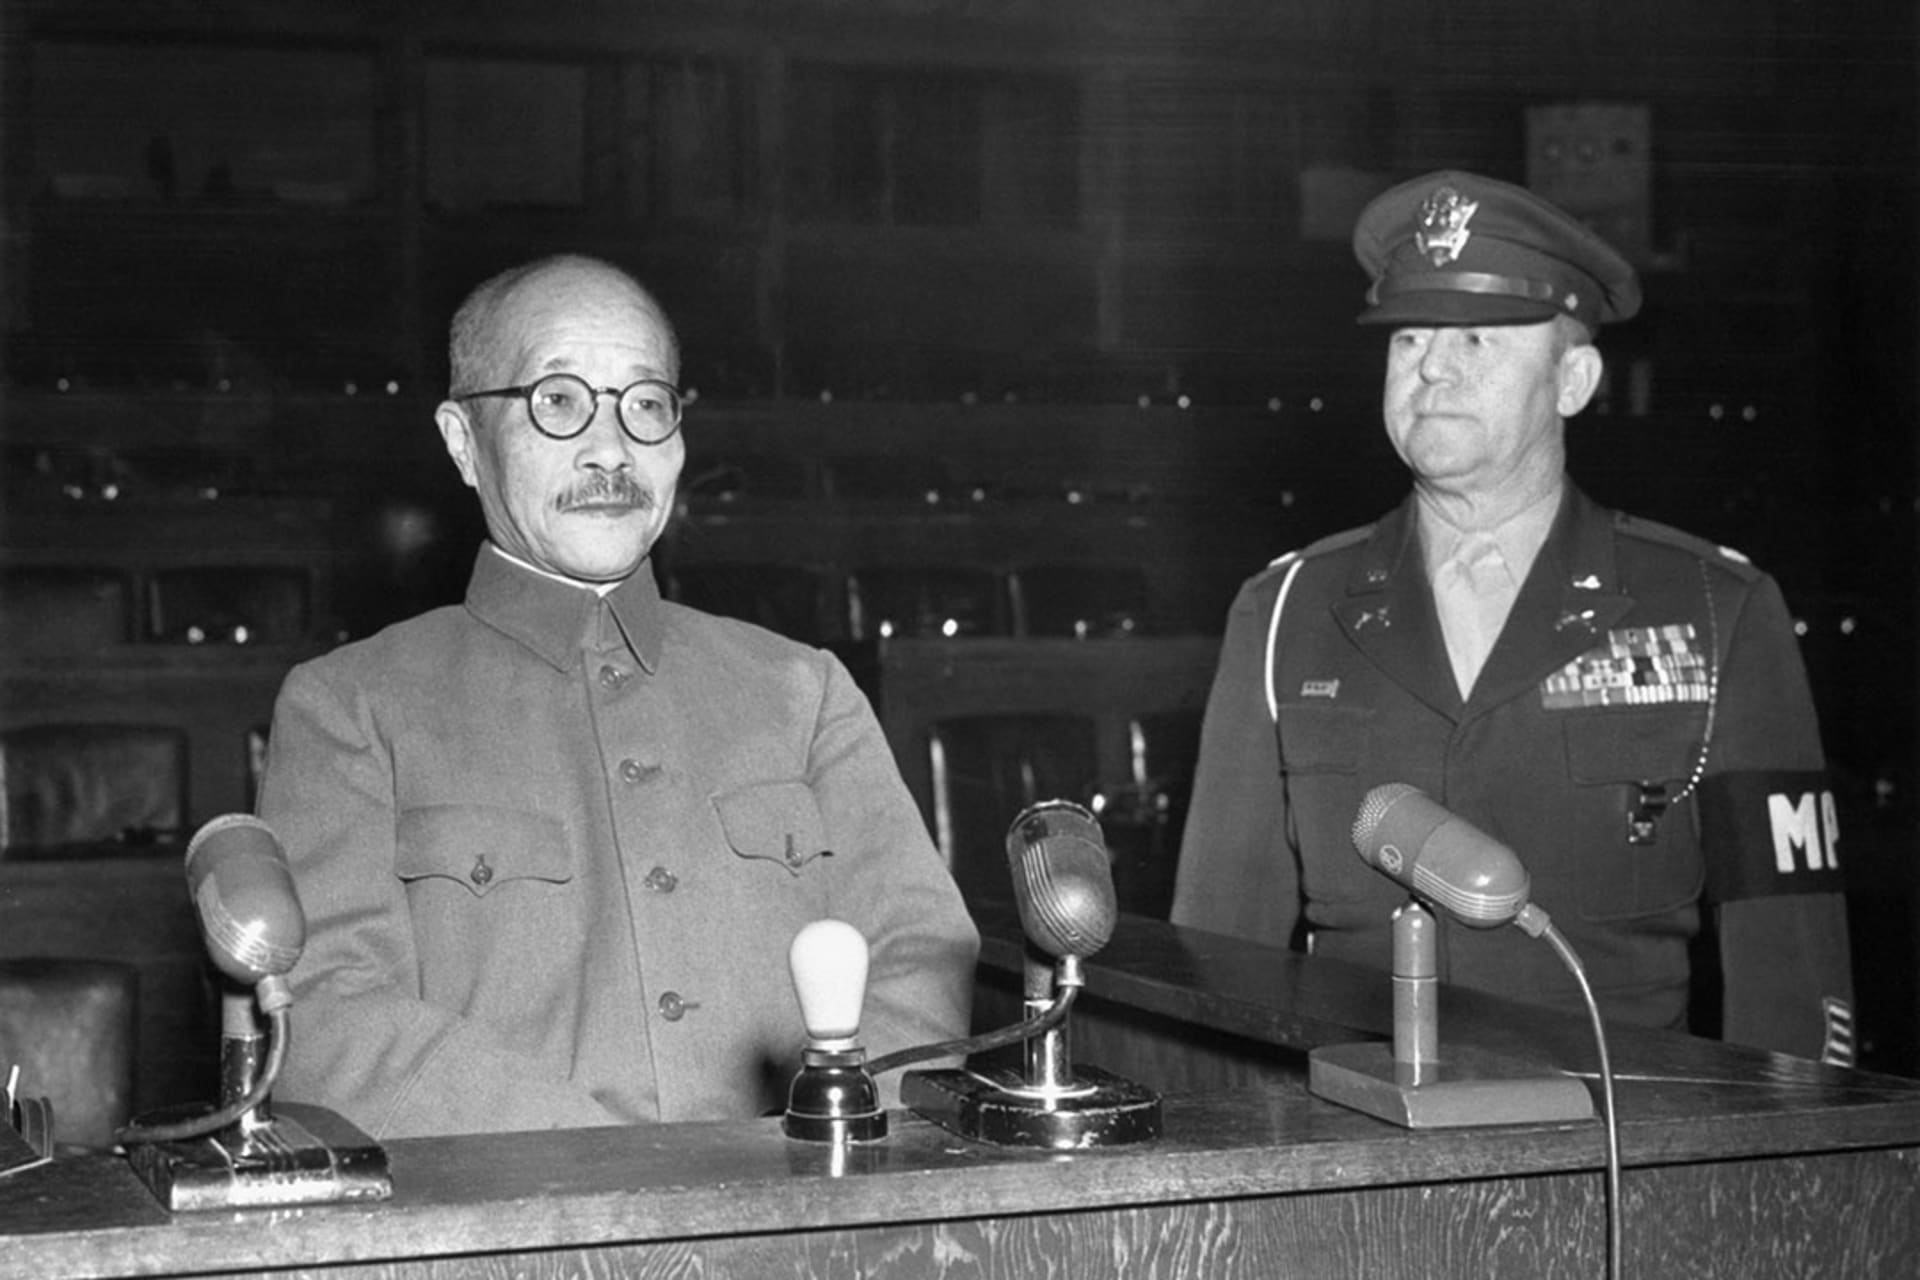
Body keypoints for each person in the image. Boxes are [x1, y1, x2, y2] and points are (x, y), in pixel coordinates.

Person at [257, 253, 980, 1138]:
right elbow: (329, 1017)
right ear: (462, 443)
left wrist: (820, 1150)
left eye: (646, 404)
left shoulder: (804, 693)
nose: (611, 450)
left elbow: (922, 955)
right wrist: (605, 1179)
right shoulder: (350, 708)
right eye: (558, 402)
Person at [1170, 171, 1854, 1063]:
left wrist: (1785, 1183)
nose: (1432, 369)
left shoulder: (1716, 612)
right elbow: (1218, 960)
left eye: (1479, 339)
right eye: (1410, 336)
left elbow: (1793, 979)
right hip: (1351, 1160)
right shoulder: (1285, 612)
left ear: (1574, 379)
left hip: (1620, 1150)